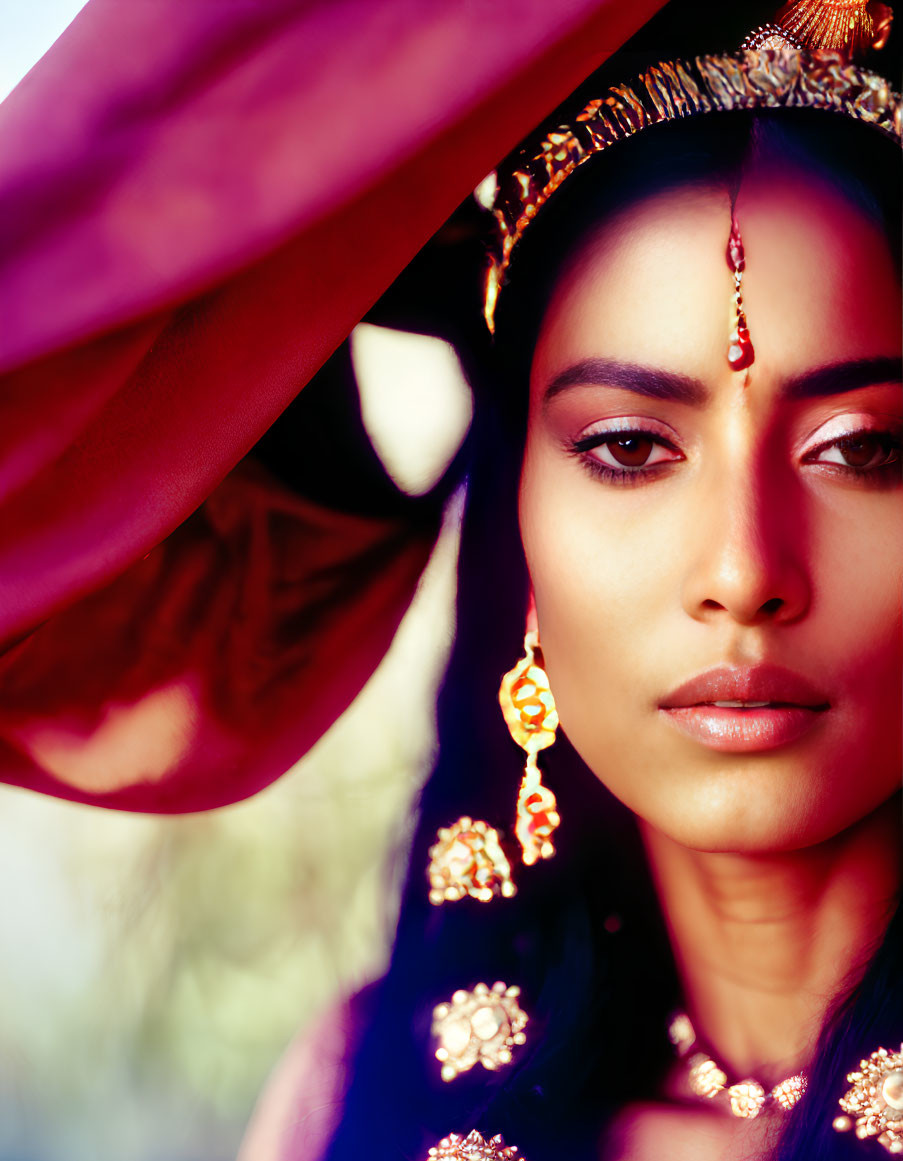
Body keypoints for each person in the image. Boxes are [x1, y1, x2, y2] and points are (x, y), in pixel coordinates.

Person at [0, 2, 899, 1160]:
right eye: (628, 448)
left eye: (865, 450)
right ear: (516, 524)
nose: (743, 569)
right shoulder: (355, 1100)